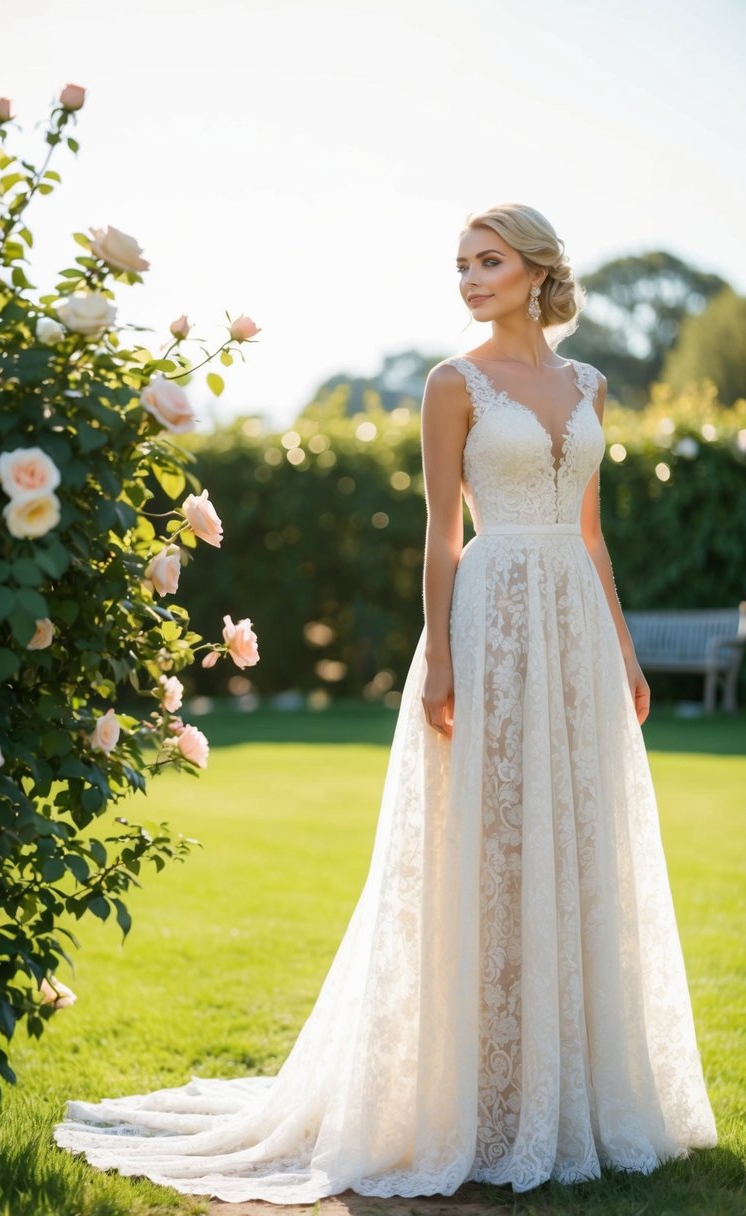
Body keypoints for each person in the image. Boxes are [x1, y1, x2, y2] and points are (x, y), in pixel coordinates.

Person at [53, 202, 717, 1201]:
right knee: (487, 845)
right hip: (490, 622)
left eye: (487, 261)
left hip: (574, 630)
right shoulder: (453, 384)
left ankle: (568, 1082)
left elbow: (590, 533)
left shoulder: (591, 384)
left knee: (576, 838)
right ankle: (483, 1092)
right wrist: (444, 660)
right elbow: (441, 536)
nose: (468, 278)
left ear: (538, 270)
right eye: (459, 264)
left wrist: (623, 652)